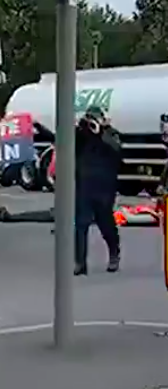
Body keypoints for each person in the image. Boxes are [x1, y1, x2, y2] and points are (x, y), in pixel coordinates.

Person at [74, 106, 121, 275]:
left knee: (106, 223)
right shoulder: (81, 135)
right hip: (84, 186)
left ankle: (114, 253)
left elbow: (117, 150)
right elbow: (68, 146)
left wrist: (100, 133)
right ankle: (80, 262)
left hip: (104, 188)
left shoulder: (111, 134)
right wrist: (78, 129)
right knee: (80, 225)